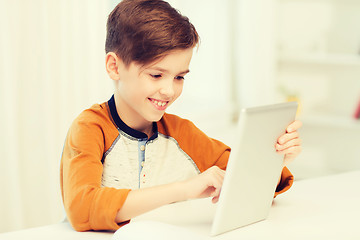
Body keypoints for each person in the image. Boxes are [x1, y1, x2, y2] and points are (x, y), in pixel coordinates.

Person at [60, 0, 302, 232]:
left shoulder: (182, 133)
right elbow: (82, 208)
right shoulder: (90, 128)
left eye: (179, 77)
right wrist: (184, 189)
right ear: (114, 66)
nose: (169, 90)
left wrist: (275, 159)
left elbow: (240, 176)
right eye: (156, 75)